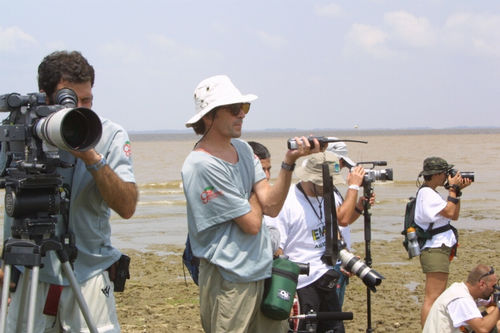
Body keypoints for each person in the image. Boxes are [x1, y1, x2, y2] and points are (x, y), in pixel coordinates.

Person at [1, 50, 139, 332]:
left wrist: (90, 155)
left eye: (88, 100)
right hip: (32, 271)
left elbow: (127, 207)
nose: (81, 109)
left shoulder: (108, 134)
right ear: (45, 97)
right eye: (71, 100)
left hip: (88, 271)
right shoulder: (24, 131)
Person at [181, 74, 321, 333]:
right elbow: (253, 223)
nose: (242, 114)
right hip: (229, 279)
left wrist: (289, 162)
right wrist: (257, 192)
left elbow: (273, 207)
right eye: (234, 109)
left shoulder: (244, 150)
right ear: (209, 116)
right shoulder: (201, 165)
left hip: (263, 271)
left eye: (244, 108)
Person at [266, 151, 370, 333]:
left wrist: (344, 259)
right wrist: (284, 293)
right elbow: (275, 251)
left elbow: (336, 226)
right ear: (309, 179)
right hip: (301, 284)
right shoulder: (287, 202)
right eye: (323, 183)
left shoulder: (329, 195)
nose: (327, 187)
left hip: (326, 277)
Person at [416, 156, 472, 326]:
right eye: (444, 174)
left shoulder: (432, 193)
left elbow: (453, 214)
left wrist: (457, 192)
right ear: (436, 174)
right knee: (433, 297)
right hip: (434, 248)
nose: (446, 177)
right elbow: (448, 212)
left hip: (438, 248)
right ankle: (428, 330)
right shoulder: (426, 193)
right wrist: (453, 190)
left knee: (435, 296)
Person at [326, 139, 373, 309]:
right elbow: (342, 219)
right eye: (340, 163)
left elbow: (343, 221)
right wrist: (353, 186)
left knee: (335, 310)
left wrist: (359, 206)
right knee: (331, 314)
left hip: (339, 258)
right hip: (332, 262)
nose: (343, 168)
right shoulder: (322, 188)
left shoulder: (331, 188)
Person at [423, 264, 500, 333]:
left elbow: (490, 302)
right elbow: (482, 329)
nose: (494, 290)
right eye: (493, 286)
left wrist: (496, 300)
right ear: (482, 284)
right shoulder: (461, 299)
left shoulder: (461, 288)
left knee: (492, 309)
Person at [248, 141, 281, 256]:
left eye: (269, 169)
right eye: (262, 170)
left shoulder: (270, 196)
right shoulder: (235, 198)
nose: (267, 176)